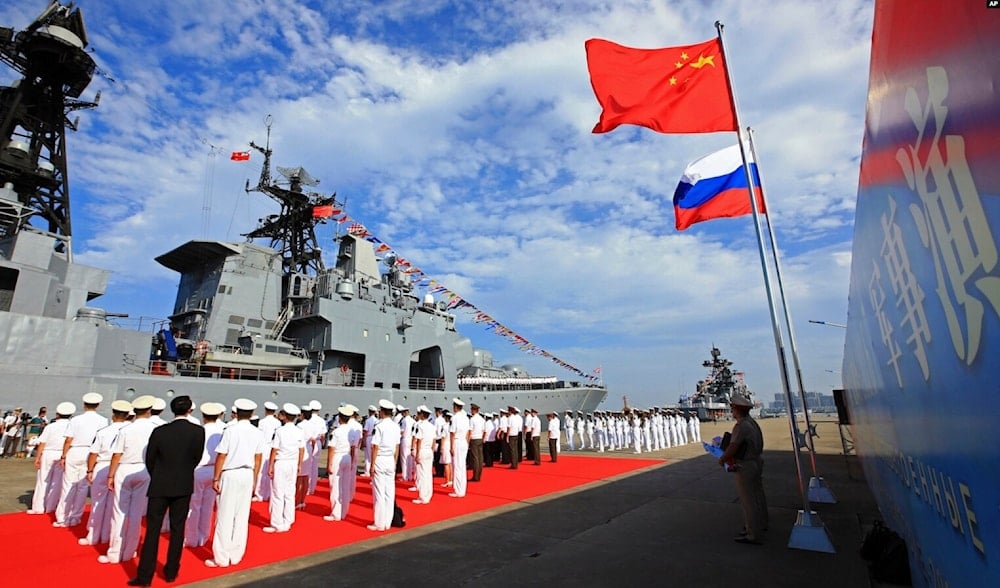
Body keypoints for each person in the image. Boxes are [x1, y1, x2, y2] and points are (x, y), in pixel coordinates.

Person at [129, 395, 205, 587]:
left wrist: (158, 475)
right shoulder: (198, 431)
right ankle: (171, 572)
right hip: (183, 485)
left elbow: (150, 458)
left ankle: (145, 576)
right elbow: (196, 457)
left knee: (152, 531)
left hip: (160, 485)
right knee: (177, 530)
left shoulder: (159, 431)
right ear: (189, 410)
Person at [99, 395, 157, 565]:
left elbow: (117, 454)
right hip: (145, 469)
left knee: (119, 512)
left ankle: (115, 552)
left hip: (124, 469)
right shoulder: (155, 428)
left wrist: (110, 475)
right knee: (137, 513)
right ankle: (130, 551)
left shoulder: (125, 430)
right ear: (149, 410)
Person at [207, 398, 265, 568]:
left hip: (230, 473)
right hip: (247, 473)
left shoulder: (230, 430)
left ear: (237, 413)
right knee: (241, 516)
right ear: (252, 414)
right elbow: (258, 457)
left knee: (224, 516)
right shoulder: (257, 432)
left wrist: (216, 477)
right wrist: (254, 479)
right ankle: (236, 554)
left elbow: (222, 455)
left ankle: (221, 558)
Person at [718, 392, 767, 545]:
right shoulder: (751, 423)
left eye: (732, 408)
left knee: (748, 501)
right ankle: (761, 524)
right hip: (756, 461)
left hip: (745, 465)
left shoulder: (741, 426)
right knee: (758, 496)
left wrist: (723, 458)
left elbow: (734, 446)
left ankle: (752, 532)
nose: (731, 411)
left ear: (737, 410)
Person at [79, 400, 131, 546]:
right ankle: (109, 536)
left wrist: (89, 470)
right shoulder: (130, 430)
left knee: (97, 503)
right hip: (120, 468)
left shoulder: (103, 432)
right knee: (117, 506)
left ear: (113, 415)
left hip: (102, 467)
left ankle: (93, 536)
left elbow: (94, 453)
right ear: (127, 415)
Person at [55, 392, 108, 527]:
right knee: (83, 487)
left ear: (84, 405)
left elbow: (68, 440)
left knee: (68, 485)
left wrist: (63, 455)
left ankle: (62, 517)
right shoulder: (103, 421)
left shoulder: (75, 420)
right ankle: (76, 517)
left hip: (74, 451)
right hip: (90, 452)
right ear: (98, 405)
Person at [184, 402, 226, 548]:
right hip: (215, 470)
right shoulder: (223, 431)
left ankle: (191, 538)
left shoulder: (198, 431)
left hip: (199, 470)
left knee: (194, 505)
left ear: (203, 416)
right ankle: (203, 537)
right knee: (208, 506)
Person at [27, 402, 74, 514]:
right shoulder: (71, 426)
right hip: (62, 453)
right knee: (57, 482)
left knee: (43, 480)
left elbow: (42, 442)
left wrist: (38, 457)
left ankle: (38, 507)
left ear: (58, 414)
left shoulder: (51, 426)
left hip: (48, 453)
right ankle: (50, 507)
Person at [265, 403, 304, 534]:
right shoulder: (299, 431)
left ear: (285, 416)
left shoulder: (280, 431)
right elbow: (301, 449)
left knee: (277, 494)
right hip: (293, 463)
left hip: (281, 462)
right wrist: (299, 464)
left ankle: (277, 523)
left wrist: (270, 465)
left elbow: (274, 449)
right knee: (289, 492)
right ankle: (288, 520)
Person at [368, 399, 400, 532]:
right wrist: (394, 461)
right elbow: (397, 447)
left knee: (379, 492)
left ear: (382, 412)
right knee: (389, 492)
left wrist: (372, 465)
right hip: (390, 460)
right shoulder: (395, 426)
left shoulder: (379, 426)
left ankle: (379, 523)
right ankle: (387, 522)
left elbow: (375, 446)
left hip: (380, 459)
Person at [324, 406, 356, 522]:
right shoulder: (352, 431)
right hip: (347, 457)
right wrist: (352, 461)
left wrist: (329, 464)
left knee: (335, 486)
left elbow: (331, 449)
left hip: (338, 457)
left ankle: (335, 514)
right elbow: (353, 447)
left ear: (340, 418)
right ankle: (343, 512)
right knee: (345, 486)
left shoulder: (336, 431)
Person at [255, 401, 281, 502]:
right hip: (273, 446)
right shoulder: (278, 422)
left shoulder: (262, 422)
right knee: (270, 471)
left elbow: (260, 436)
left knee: (261, 470)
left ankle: (259, 494)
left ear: (266, 410)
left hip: (264, 446)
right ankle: (269, 493)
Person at [411, 406, 436, 504]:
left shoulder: (420, 426)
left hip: (422, 450)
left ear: (422, 414)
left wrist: (417, 454)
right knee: (428, 474)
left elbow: (419, 440)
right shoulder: (432, 426)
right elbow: (434, 440)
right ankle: (428, 495)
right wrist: (432, 451)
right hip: (429, 450)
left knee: (422, 474)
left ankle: (423, 497)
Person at [448, 398, 470, 498]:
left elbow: (452, 433)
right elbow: (469, 432)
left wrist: (451, 446)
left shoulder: (455, 418)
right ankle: (462, 489)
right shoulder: (466, 418)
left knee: (456, 466)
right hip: (464, 442)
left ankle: (457, 490)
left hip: (457, 441)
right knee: (462, 466)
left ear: (456, 407)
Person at [468, 403, 485, 482]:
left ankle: (476, 476)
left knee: (475, 458)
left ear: (474, 410)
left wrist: (468, 441)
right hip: (480, 438)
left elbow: (470, 431)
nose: (471, 411)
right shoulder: (482, 419)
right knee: (480, 458)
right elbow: (484, 430)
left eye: (472, 409)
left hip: (474, 439)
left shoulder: (472, 419)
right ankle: (479, 475)